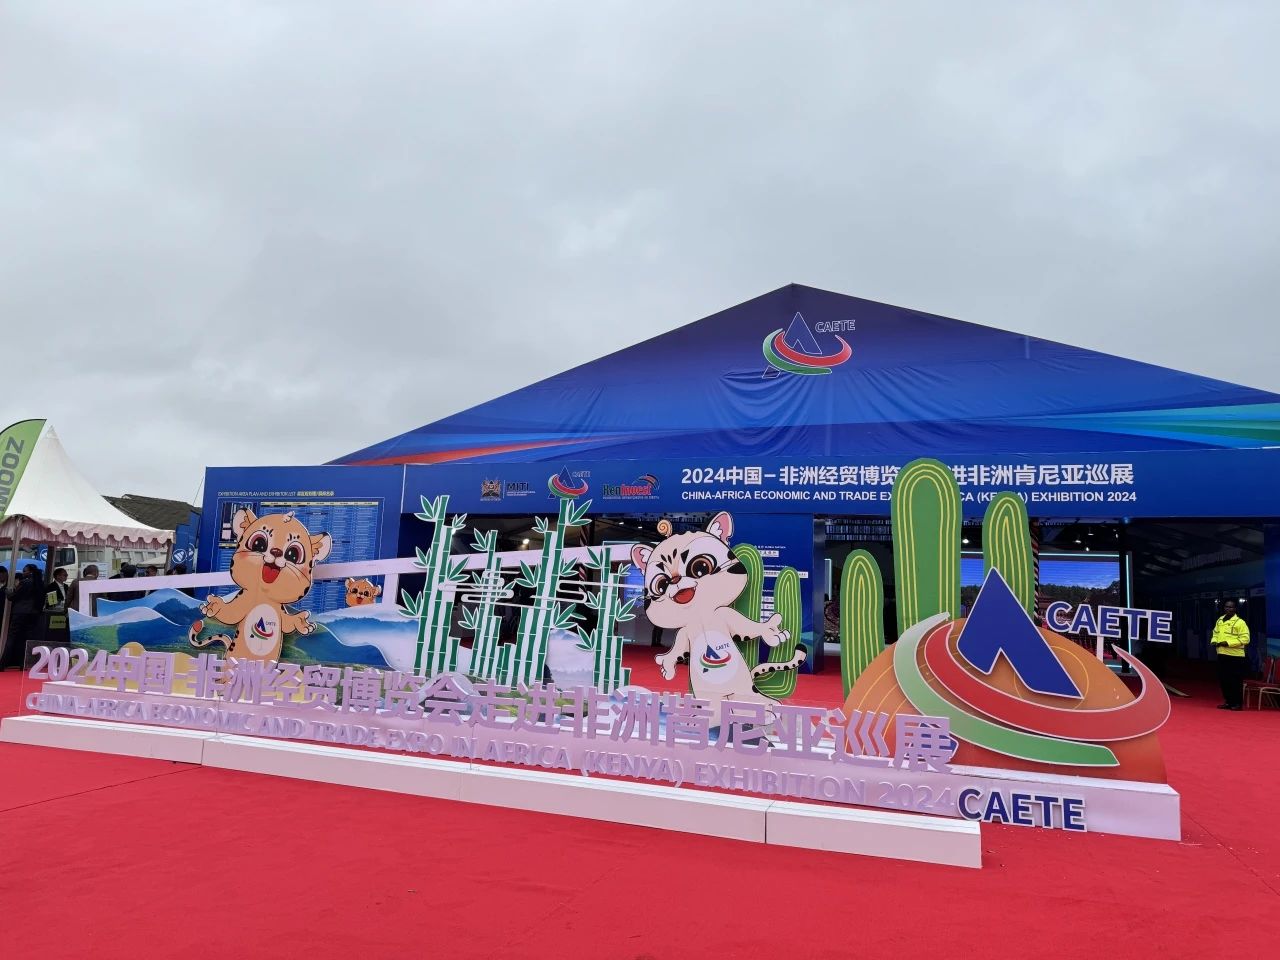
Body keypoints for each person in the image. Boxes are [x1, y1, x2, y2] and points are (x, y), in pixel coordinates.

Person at [2, 565, 44, 670]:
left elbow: (12, 597)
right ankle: (23, 664)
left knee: (12, 638)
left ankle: (2, 663)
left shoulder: (25, 583)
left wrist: (8, 591)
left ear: (30, 572)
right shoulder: (39, 583)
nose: (23, 572)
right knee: (26, 639)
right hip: (33, 614)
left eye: (25, 571)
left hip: (20, 613)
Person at [1211, 599, 1250, 711]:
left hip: (1235, 656)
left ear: (1235, 609)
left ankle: (1237, 703)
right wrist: (1214, 641)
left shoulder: (1240, 622)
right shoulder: (1220, 620)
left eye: (1231, 607)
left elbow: (1245, 639)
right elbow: (1215, 633)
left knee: (1235, 681)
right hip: (1222, 654)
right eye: (1227, 607)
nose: (1228, 609)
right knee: (1224, 680)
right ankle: (1228, 701)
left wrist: (1227, 643)